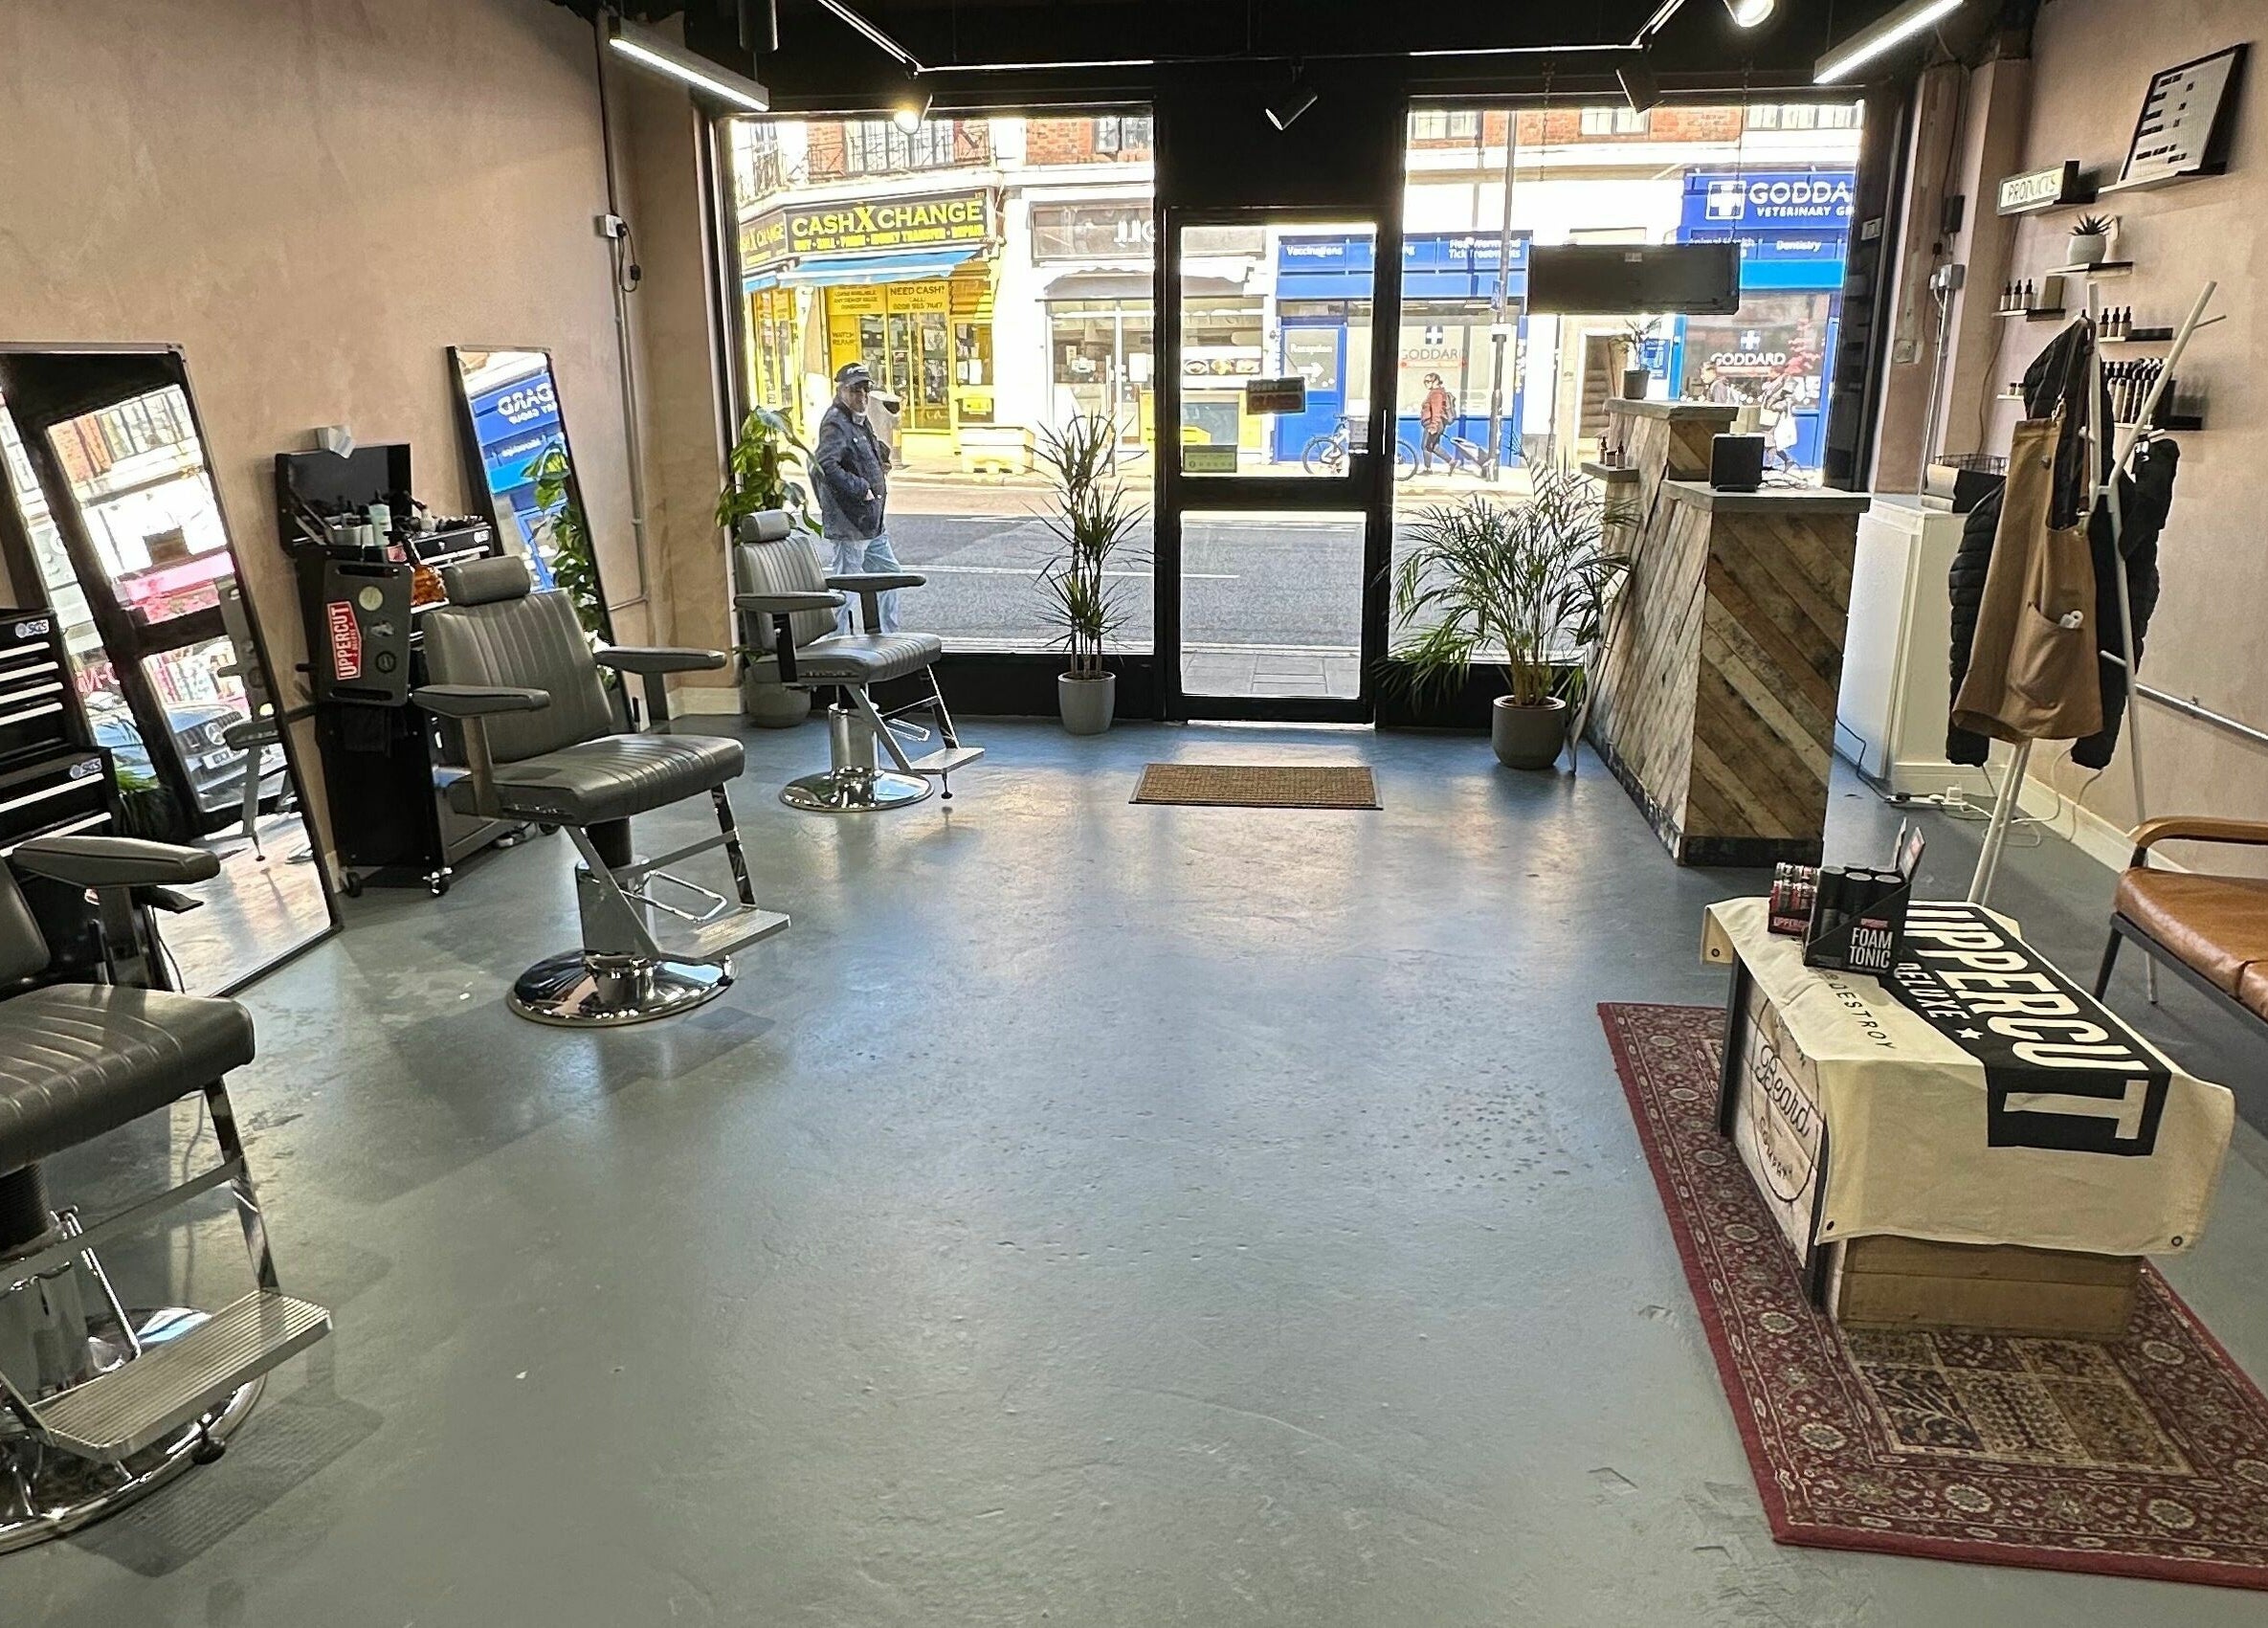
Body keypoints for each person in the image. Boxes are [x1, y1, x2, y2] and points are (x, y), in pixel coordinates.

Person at [812, 361, 901, 635]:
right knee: (846, 587)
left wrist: (881, 460)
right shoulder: (836, 423)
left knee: (889, 576)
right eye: (854, 390)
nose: (861, 395)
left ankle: (888, 636)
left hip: (871, 523)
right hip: (851, 521)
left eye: (865, 388)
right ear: (840, 390)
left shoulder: (858, 420)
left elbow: (863, 452)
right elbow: (826, 465)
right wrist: (861, 487)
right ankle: (835, 644)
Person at [1417, 372, 1454, 473]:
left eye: (1428, 381)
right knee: (1433, 446)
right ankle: (1451, 462)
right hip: (1436, 424)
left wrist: (1433, 426)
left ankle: (1427, 469)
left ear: (1436, 381)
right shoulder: (1437, 392)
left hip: (1433, 424)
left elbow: (1436, 411)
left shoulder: (1436, 393)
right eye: (1425, 382)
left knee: (1425, 446)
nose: (1426, 384)